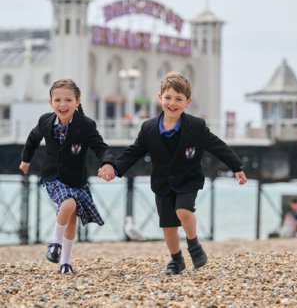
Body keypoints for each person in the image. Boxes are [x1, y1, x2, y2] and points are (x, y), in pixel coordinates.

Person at [99, 71, 248, 275]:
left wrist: (237, 167)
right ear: (160, 98)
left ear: (188, 102)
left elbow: (218, 146)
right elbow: (134, 152)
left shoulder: (196, 126)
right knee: (168, 227)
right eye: (168, 97)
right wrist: (114, 168)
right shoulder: (149, 128)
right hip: (162, 183)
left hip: (188, 179)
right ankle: (176, 260)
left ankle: (194, 245)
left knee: (183, 211)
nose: (172, 103)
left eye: (179, 99)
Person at [19, 79, 116, 274]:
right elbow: (32, 139)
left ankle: (65, 263)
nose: (63, 105)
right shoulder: (45, 121)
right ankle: (54, 244)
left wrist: (107, 163)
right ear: (50, 102)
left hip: (76, 179)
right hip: (53, 176)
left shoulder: (86, 125)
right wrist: (26, 160)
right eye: (58, 100)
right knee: (69, 203)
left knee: (71, 218)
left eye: (68, 100)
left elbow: (100, 147)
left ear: (77, 102)